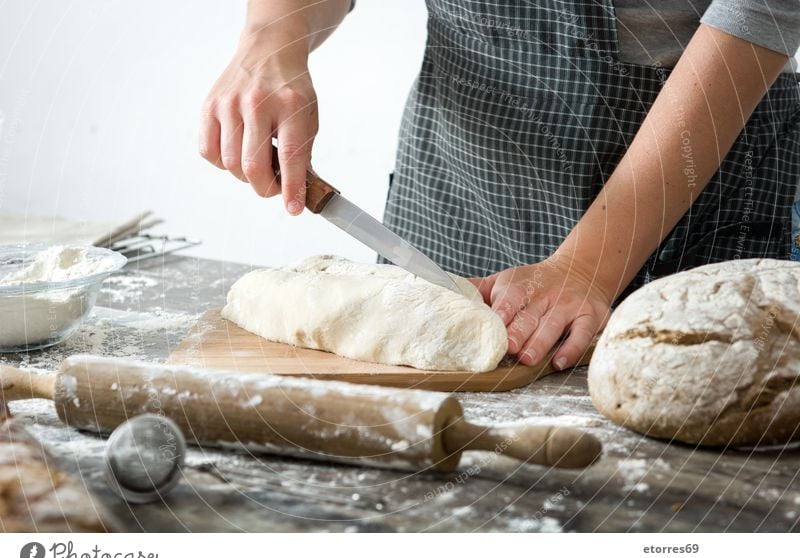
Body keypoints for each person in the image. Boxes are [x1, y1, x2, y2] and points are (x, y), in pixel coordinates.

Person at [199, 1, 800, 370]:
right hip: (456, 189)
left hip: (696, 179)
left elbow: (761, 10)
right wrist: (270, 42)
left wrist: (590, 265)